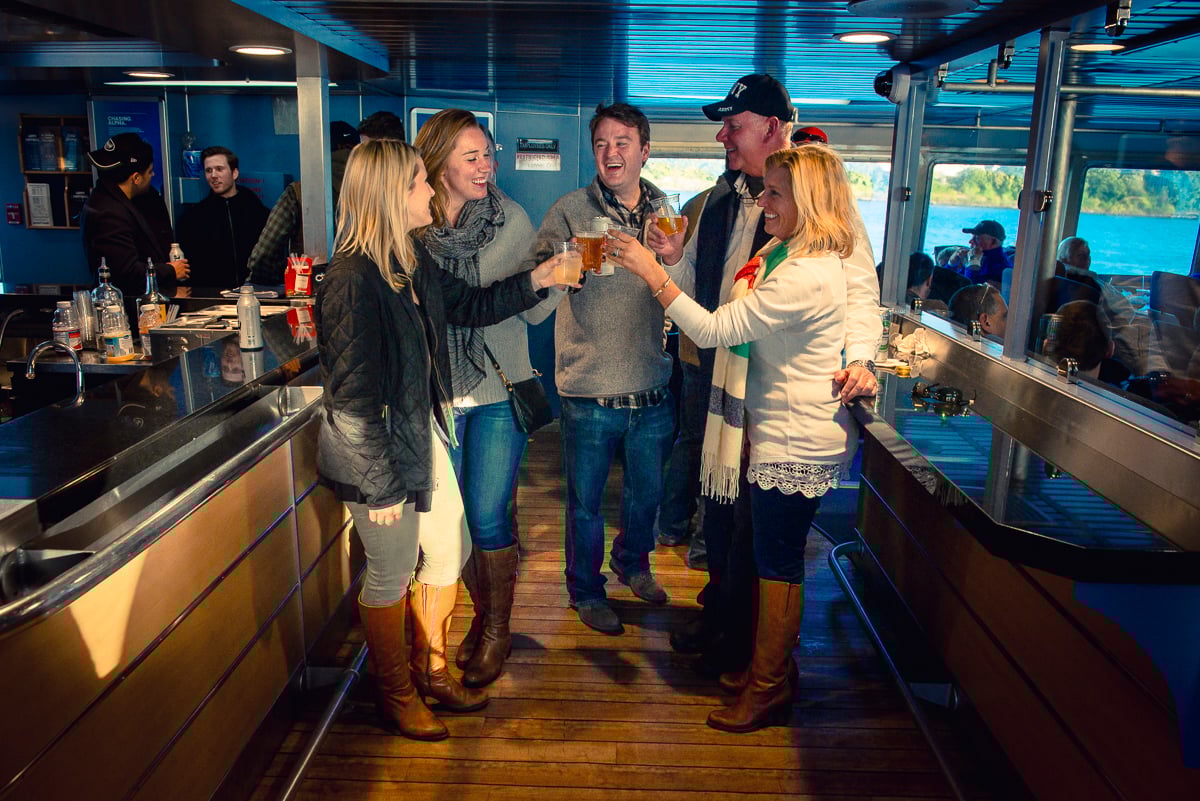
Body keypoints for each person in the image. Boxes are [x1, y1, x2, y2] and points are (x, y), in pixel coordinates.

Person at [315, 138, 565, 741]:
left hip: (418, 432)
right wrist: (379, 490)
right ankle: (396, 695)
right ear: (391, 195)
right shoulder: (351, 278)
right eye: (419, 183)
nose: (430, 190)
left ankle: (430, 672)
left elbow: (471, 305)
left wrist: (541, 278)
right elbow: (351, 399)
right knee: (392, 568)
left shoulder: (408, 261)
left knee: (449, 552)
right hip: (376, 451)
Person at [612, 143, 865, 732]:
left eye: (775, 193)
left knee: (778, 564)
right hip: (770, 429)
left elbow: (713, 328)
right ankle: (771, 669)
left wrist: (651, 272)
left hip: (795, 437)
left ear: (809, 201)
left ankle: (769, 686)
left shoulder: (807, 273)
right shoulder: (785, 252)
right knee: (762, 555)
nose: (764, 202)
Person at [652, 74, 879, 676]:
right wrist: (672, 258)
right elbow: (701, 274)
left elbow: (860, 294)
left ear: (773, 129)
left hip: (774, 382)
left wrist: (860, 357)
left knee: (760, 521)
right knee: (720, 503)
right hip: (717, 371)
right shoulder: (721, 199)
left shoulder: (819, 205)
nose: (723, 135)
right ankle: (720, 609)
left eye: (735, 124)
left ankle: (754, 639)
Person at [413, 109, 562, 688]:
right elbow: (447, 305)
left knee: (488, 516)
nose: (486, 167)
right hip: (437, 393)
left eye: (488, 155)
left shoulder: (512, 219)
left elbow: (536, 304)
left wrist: (558, 278)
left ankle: (494, 630)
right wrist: (534, 282)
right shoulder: (409, 222)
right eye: (471, 157)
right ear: (440, 163)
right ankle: (447, 636)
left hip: (498, 389)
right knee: (448, 530)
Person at [525, 102, 685, 635]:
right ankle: (586, 591)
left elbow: (690, 293)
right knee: (585, 505)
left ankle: (633, 563)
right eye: (600, 144)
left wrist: (677, 257)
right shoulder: (569, 209)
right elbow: (534, 286)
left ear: (644, 149)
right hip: (589, 386)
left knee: (647, 496)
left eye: (622, 142)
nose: (610, 153)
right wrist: (560, 271)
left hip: (651, 382)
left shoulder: (666, 210)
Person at [246, 120, 359, 285]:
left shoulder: (299, 191)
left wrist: (274, 284)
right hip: (362, 288)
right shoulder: (376, 189)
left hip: (310, 288)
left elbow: (265, 252)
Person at [81, 133, 190, 297]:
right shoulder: (108, 213)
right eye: (150, 172)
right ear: (136, 178)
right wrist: (170, 270)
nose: (152, 176)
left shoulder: (120, 199)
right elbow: (125, 272)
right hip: (127, 306)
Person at [176, 146, 269, 288]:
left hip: (256, 293)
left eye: (219, 169)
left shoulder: (256, 210)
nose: (213, 175)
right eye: (208, 170)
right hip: (212, 298)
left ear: (234, 173)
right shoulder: (193, 219)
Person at [958, 219, 1012, 286]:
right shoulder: (980, 258)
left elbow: (971, 289)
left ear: (993, 242)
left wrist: (972, 265)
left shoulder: (1001, 267)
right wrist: (952, 264)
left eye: (977, 238)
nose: (970, 241)